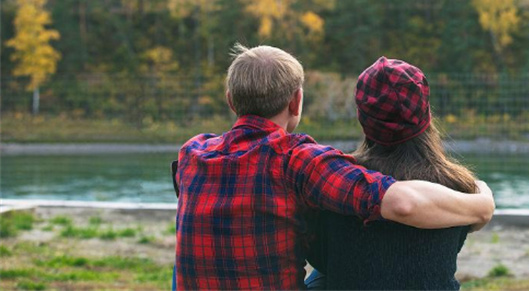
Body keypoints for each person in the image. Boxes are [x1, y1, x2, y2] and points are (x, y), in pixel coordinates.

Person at [174, 44, 494, 290]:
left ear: (230, 100)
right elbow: (403, 202)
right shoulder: (300, 161)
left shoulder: (192, 153)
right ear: (296, 102)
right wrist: (481, 198)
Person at [306, 56, 485, 290]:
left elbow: (319, 256)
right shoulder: (457, 185)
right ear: (426, 112)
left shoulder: (338, 181)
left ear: (362, 118)